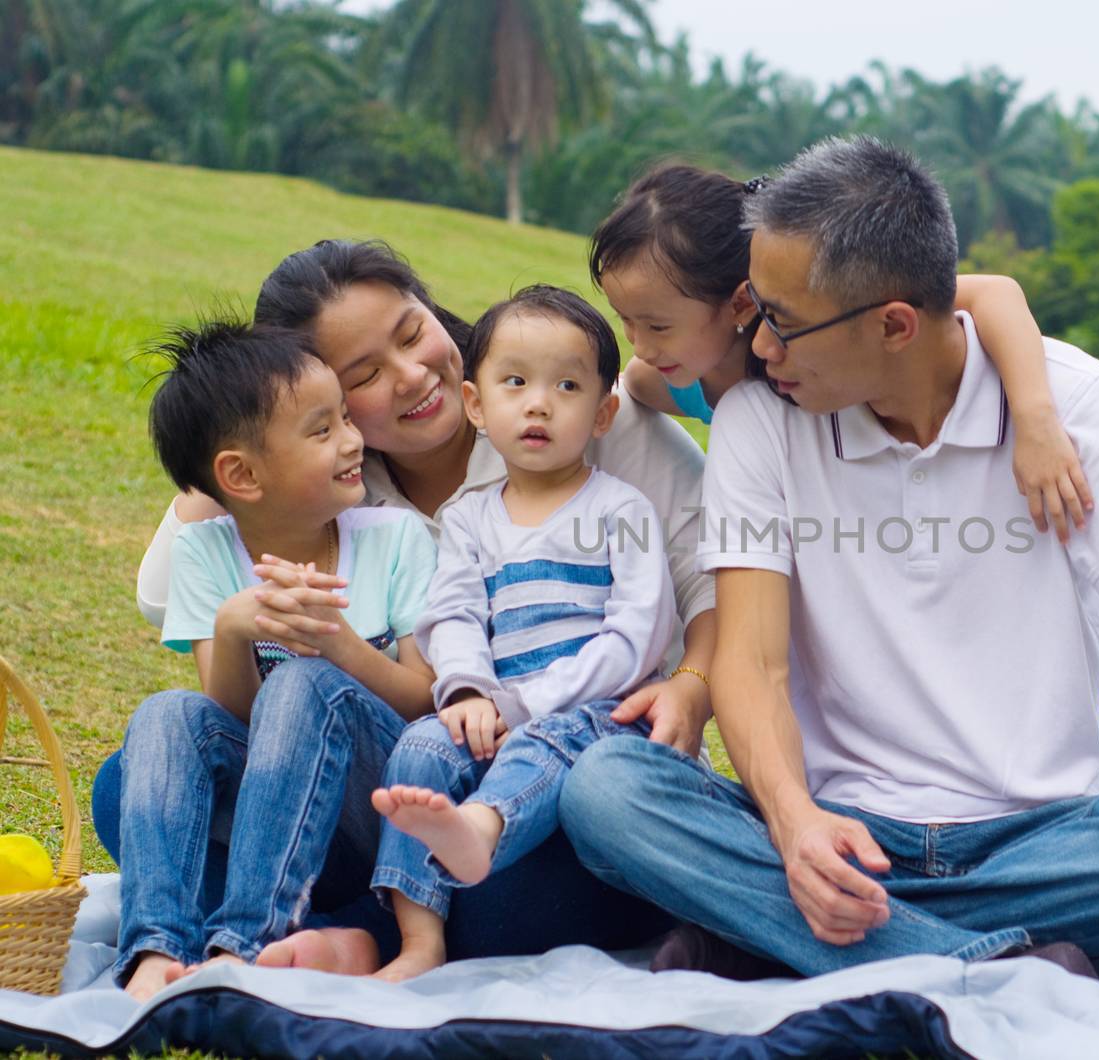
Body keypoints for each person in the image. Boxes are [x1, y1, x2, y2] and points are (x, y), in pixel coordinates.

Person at [557, 137, 1099, 980]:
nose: (761, 349)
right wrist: (795, 823)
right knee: (606, 791)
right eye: (755, 314)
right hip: (844, 825)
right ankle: (992, 964)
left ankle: (777, 933)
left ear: (894, 324)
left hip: (1038, 834)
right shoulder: (760, 420)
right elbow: (753, 662)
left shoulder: (1078, 405)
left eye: (784, 322)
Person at [100, 241, 707, 971]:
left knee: (503, 889)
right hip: (399, 782)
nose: (414, 375)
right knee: (127, 789)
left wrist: (693, 683)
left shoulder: (560, 391)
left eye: (413, 332)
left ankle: (362, 931)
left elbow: (719, 581)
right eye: (363, 377)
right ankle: (320, 924)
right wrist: (236, 445)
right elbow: (162, 588)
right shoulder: (342, 487)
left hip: (563, 772)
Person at [116, 320, 437, 1001]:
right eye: (323, 431)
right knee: (167, 712)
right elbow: (223, 719)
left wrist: (340, 646)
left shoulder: (394, 540)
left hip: (377, 812)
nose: (354, 441)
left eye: (345, 419)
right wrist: (234, 628)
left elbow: (425, 703)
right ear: (241, 474)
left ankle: (245, 942)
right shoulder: (207, 552)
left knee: (302, 685)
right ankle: (155, 951)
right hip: (270, 813)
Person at [368, 285, 675, 980]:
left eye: (566, 387)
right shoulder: (471, 518)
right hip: (497, 711)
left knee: (549, 739)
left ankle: (483, 829)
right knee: (421, 742)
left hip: (594, 716)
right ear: (477, 405)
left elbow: (635, 640)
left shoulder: (621, 509)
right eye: (515, 383)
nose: (539, 403)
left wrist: (527, 705)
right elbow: (451, 615)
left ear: (602, 414)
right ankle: (420, 941)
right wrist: (472, 692)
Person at [590, 165, 1095, 543]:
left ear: (741, 301)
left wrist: (1035, 420)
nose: (641, 344)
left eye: (657, 325)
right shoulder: (659, 379)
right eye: (625, 321)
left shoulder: (825, 330)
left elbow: (995, 293)